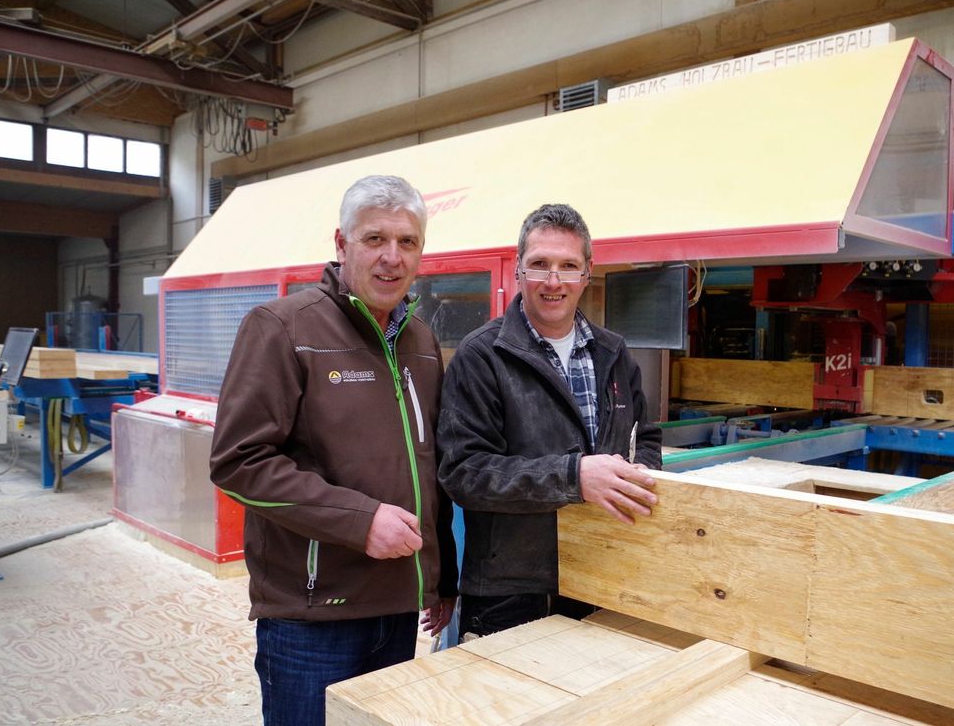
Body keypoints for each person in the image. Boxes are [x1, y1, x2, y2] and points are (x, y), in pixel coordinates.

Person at [210, 175, 458, 726]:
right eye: (374, 240)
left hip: (397, 607)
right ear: (342, 244)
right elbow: (237, 462)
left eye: (408, 242)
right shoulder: (282, 327)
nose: (392, 258)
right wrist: (360, 520)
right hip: (313, 616)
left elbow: (428, 467)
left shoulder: (418, 341)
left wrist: (439, 579)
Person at [436, 202, 661, 640]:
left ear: (587, 273)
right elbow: (463, 472)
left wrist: (643, 473)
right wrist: (573, 477)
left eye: (568, 266)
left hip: (604, 577)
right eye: (540, 265)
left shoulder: (614, 354)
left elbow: (645, 436)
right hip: (511, 594)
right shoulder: (483, 357)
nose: (554, 282)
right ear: (519, 271)